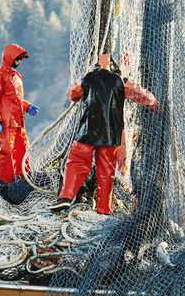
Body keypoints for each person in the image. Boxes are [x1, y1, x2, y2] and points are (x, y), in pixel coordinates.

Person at [49, 54, 159, 214]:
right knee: (106, 171)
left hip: (87, 132)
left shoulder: (87, 78)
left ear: (96, 65)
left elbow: (72, 95)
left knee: (75, 163)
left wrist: (84, 80)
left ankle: (65, 198)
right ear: (114, 66)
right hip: (111, 135)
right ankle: (104, 209)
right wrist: (155, 104)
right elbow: (143, 95)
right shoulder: (120, 81)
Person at [0, 44, 38, 183]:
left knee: (23, 150)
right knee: (6, 154)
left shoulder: (17, 77)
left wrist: (27, 107)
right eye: (17, 59)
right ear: (10, 58)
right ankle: (3, 183)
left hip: (18, 122)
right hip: (4, 123)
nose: (19, 62)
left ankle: (23, 181)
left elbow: (16, 99)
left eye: (21, 59)